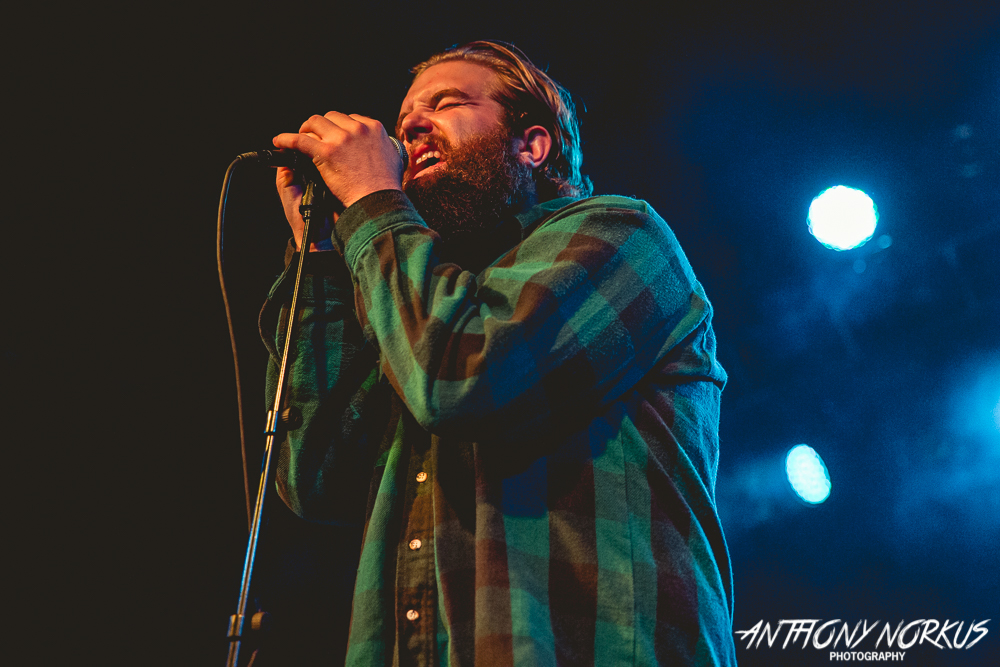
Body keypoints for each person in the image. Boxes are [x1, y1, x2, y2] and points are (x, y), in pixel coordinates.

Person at [262, 40, 735, 666]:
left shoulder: (620, 234)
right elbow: (317, 481)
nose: (410, 127)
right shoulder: (417, 300)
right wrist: (319, 260)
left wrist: (376, 202)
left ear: (531, 145)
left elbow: (461, 379)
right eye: (404, 119)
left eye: (447, 103)